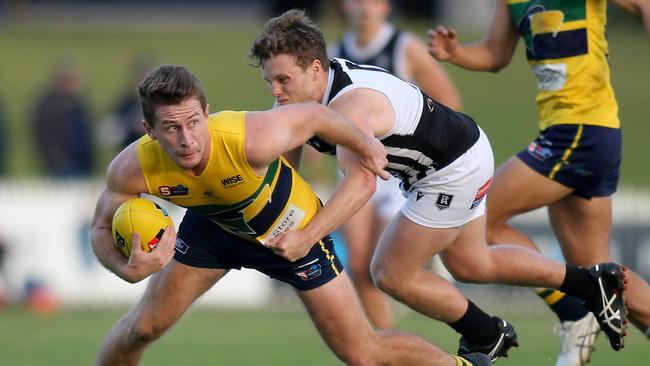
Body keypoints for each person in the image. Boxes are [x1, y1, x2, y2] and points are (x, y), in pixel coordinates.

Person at [249, 9, 629, 362]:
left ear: (316, 68)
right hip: (460, 152)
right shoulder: (302, 100)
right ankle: (590, 282)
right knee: (472, 263)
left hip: (451, 168)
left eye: (284, 80)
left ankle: (486, 333)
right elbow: (285, 169)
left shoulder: (348, 107)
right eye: (270, 82)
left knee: (389, 272)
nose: (276, 92)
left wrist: (305, 237)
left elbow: (361, 184)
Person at [89, 64, 493, 366]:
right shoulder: (132, 167)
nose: (188, 138)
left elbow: (316, 116)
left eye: (195, 122)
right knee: (143, 327)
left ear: (207, 112)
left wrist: (365, 145)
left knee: (363, 353)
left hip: (293, 233)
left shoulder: (251, 138)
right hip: (214, 229)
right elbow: (101, 227)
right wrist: (126, 269)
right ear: (148, 129)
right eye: (172, 128)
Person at [427, 0, 650, 364]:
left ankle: (574, 313)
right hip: (578, 133)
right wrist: (455, 53)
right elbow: (496, 53)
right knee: (597, 270)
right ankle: (580, 306)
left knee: (480, 218)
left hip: (582, 132)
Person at [327, 0, 462, 329]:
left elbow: (450, 101)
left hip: (396, 170)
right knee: (359, 267)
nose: (364, 8)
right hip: (354, 168)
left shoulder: (405, 47)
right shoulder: (333, 52)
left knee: (383, 265)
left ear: (387, 6)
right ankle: (386, 343)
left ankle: (453, 315)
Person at [32, 59, 95, 177]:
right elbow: (44, 135)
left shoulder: (79, 103)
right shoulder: (49, 105)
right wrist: (56, 160)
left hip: (83, 162)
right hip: (61, 166)